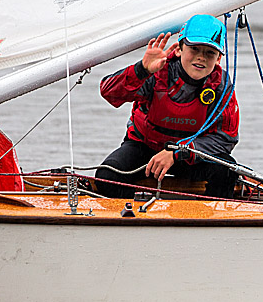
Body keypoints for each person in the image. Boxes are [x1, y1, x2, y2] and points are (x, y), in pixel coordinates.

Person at [95, 14, 240, 198]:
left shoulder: (221, 86)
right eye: (194, 49)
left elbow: (225, 139)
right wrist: (142, 70)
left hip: (188, 157)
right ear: (179, 50)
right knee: (106, 176)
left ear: (218, 59)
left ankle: (211, 220)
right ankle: (143, 212)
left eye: (209, 52)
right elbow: (109, 93)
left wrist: (178, 152)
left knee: (227, 170)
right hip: (145, 149)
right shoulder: (156, 71)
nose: (201, 57)